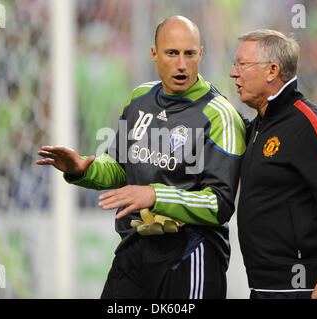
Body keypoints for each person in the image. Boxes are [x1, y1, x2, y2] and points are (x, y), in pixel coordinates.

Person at [36, 15, 246, 298]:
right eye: (172, 53)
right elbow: (121, 169)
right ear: (154, 54)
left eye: (189, 54)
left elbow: (220, 203)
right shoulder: (139, 98)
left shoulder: (220, 115)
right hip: (134, 250)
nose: (181, 64)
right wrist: (82, 170)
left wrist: (155, 196)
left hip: (190, 253)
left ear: (201, 54)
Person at [229, 29, 317, 299]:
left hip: (304, 288)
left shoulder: (309, 124)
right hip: (264, 287)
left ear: (272, 71)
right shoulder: (260, 124)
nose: (234, 73)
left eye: (242, 64)